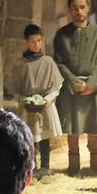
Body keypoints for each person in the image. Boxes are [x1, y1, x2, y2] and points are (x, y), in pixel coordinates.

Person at [54, 0, 97, 175]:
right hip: (71, 89)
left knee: (93, 126)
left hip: (91, 89)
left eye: (82, 7)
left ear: (88, 8)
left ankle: (95, 165)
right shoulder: (62, 35)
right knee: (73, 128)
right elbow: (59, 62)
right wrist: (73, 81)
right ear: (69, 10)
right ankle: (73, 166)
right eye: (75, 8)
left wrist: (91, 83)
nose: (79, 11)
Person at [13, 23, 64, 178]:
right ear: (26, 42)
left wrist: (47, 99)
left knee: (44, 138)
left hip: (45, 105)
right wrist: (24, 99)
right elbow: (15, 86)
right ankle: (32, 168)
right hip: (28, 106)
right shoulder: (21, 64)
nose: (36, 44)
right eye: (32, 41)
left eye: (38, 40)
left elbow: (56, 85)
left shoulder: (48, 62)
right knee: (30, 137)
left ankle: (46, 167)